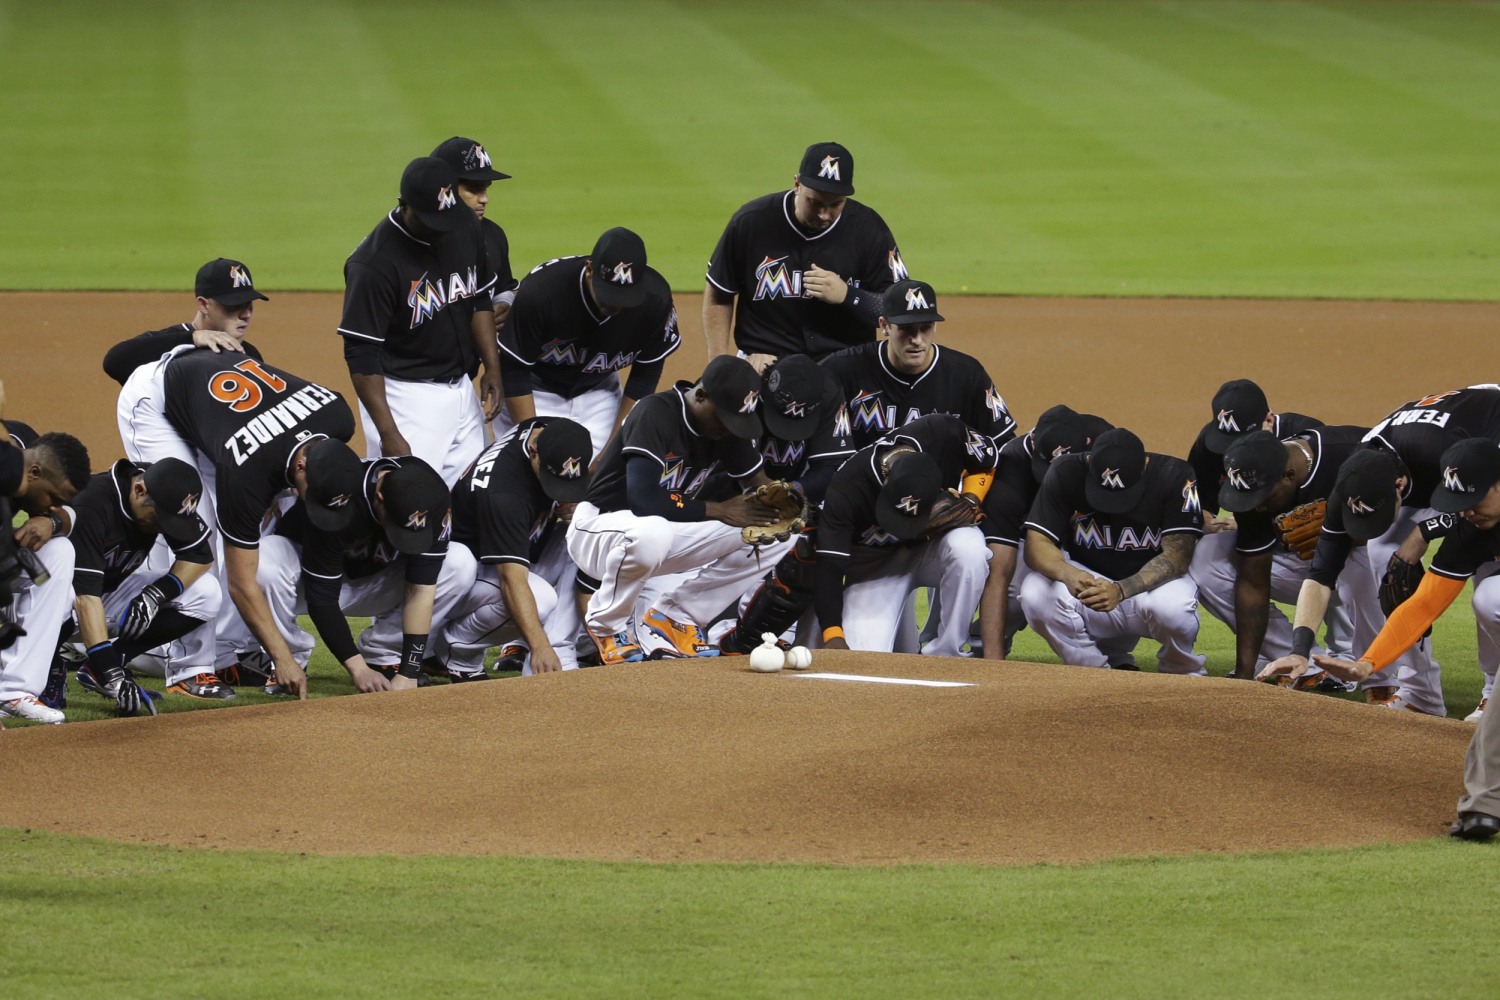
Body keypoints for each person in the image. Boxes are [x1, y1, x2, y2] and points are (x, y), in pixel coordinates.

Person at [1260, 437, 1500, 839]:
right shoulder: (1471, 528)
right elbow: (1423, 605)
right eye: (1460, 501)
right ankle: (1484, 809)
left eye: (1476, 497)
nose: (1467, 510)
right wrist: (1367, 663)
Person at [140, 347, 367, 699]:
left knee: (262, 525)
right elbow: (241, 582)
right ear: (302, 468)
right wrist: (284, 659)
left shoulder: (338, 417)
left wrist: (275, 489)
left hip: (228, 412)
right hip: (160, 396)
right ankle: (188, 668)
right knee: (197, 532)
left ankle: (234, 648)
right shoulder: (247, 475)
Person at [1263, 386, 1500, 715]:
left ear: (1399, 488)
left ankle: (1494, 690)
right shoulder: (1353, 478)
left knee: (1488, 570)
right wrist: (1301, 650)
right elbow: (1321, 574)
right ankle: (1419, 693)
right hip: (1432, 457)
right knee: (1382, 553)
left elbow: (1476, 496)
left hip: (1485, 429)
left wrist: (1422, 532)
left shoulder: (1444, 456)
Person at [565, 356, 788, 664]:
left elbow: (760, 483)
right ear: (701, 396)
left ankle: (678, 615)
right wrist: (720, 510)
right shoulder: (654, 412)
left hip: (662, 538)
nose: (730, 428)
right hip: (598, 530)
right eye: (724, 418)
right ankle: (607, 626)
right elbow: (643, 500)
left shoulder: (723, 428)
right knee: (652, 530)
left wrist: (783, 503)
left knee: (776, 532)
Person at [339, 156, 501, 486]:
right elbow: (361, 354)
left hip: (462, 390)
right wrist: (389, 434)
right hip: (407, 399)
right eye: (430, 220)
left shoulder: (464, 224)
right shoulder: (373, 264)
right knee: (410, 505)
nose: (442, 228)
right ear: (404, 206)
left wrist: (492, 366)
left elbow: (479, 298)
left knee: (471, 499)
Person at [255, 454, 474, 690]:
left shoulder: (433, 497)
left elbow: (420, 588)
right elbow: (322, 599)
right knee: (266, 559)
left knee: (459, 562)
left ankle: (385, 655)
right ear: (379, 498)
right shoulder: (340, 500)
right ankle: (290, 660)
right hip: (304, 583)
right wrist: (358, 669)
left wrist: (409, 671)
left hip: (375, 581)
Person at [32, 458, 219, 713]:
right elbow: (86, 598)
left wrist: (154, 595)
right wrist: (115, 676)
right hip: (51, 604)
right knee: (64, 596)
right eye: (159, 519)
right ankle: (49, 664)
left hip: (104, 595)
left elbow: (199, 556)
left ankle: (101, 668)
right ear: (139, 490)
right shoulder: (92, 502)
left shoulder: (164, 488)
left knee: (207, 592)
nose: (163, 528)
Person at [704, 141, 906, 371]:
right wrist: (718, 367)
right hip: (763, 365)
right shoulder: (752, 222)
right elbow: (720, 293)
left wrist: (849, 295)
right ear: (797, 184)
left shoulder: (869, 230)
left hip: (845, 368)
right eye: (815, 202)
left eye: (836, 204)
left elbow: (899, 309)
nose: (824, 214)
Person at [1020, 428, 1206, 674]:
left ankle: (1181, 671)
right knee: (1035, 592)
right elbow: (1036, 542)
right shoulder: (1067, 470)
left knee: (1172, 607)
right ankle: (1094, 672)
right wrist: (1067, 573)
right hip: (1091, 587)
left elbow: (1178, 556)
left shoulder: (1175, 475)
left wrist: (1121, 590)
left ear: (1145, 465)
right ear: (1089, 462)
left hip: (1149, 588)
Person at [814, 414, 998, 656]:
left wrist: (971, 498)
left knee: (969, 550)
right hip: (875, 567)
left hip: (929, 549)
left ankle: (947, 653)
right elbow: (830, 569)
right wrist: (833, 634)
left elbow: (989, 461)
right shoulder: (848, 489)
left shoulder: (943, 432)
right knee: (862, 655)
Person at [1194, 426, 1368, 681]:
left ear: (1288, 475)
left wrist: (1345, 533)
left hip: (1367, 568)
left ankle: (1381, 675)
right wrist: (1243, 675)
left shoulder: (1350, 454)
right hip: (1308, 570)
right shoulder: (1253, 486)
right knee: (1207, 557)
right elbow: (1254, 583)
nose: (1258, 505)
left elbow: (1406, 512)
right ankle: (1301, 664)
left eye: (1263, 497)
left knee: (1373, 554)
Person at [493, 226, 681, 457]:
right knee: (527, 473)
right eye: (608, 293)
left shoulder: (655, 301)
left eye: (625, 298)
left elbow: (644, 376)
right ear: (589, 269)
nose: (615, 305)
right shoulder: (542, 294)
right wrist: (532, 434)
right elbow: (515, 370)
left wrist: (613, 452)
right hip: (535, 388)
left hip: (599, 392)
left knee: (603, 481)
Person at [439, 417, 594, 675]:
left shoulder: (544, 429)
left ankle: (561, 647)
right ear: (534, 453)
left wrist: (572, 504)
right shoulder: (504, 493)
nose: (558, 490)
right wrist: (540, 647)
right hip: (471, 571)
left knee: (585, 532)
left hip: (519, 540)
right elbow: (511, 579)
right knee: (541, 599)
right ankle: (455, 648)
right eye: (552, 481)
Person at [977, 404, 1112, 661]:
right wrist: (992, 663)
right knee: (1016, 588)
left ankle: (1117, 655)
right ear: (1034, 441)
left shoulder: (1102, 440)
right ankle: (986, 646)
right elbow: (999, 573)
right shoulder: (1011, 467)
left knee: (1115, 555)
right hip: (1030, 539)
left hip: (1082, 534)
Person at [0, 407, 91, 724]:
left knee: (58, 553)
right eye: (53, 499)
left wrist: (53, 520)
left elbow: (77, 512)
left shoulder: (28, 446)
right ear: (34, 475)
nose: (57, 506)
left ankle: (13, 691)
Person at [103, 257, 269, 389]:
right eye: (234, 305)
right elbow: (115, 361)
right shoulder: (170, 341)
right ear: (204, 305)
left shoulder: (249, 353)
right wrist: (192, 339)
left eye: (249, 305)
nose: (246, 314)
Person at [1187, 378, 1324, 532]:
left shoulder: (1304, 437)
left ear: (1269, 420)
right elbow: (1195, 497)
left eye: (1243, 439)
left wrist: (1256, 526)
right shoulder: (1208, 445)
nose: (1234, 449)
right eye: (1225, 442)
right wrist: (1203, 519)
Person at [429, 136, 518, 327]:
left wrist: (505, 302)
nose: (485, 199)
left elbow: (505, 286)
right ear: (445, 187)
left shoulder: (493, 235)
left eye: (486, 189)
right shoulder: (416, 237)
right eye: (474, 189)